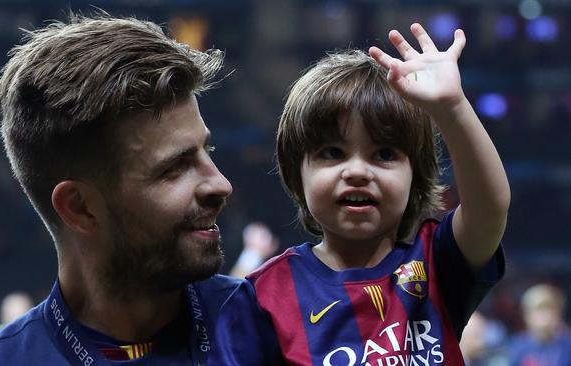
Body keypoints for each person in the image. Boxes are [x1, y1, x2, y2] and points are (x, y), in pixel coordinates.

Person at [0, 13, 240, 366]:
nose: (221, 185)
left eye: (206, 151)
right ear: (79, 208)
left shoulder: (275, 328)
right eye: (174, 168)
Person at [210, 23, 509, 365]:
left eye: (383, 154)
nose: (356, 171)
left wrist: (452, 108)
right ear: (297, 172)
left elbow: (490, 208)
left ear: (417, 175)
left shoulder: (436, 262)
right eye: (332, 153)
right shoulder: (262, 296)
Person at [507, 283, 571, 365]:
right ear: (527, 315)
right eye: (539, 310)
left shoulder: (567, 345)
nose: (545, 317)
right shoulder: (517, 346)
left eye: (550, 311)